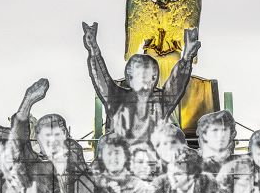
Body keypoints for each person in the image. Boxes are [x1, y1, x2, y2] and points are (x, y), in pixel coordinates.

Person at [82, 20, 200, 154]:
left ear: (154, 78)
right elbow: (102, 80)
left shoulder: (161, 101)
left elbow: (176, 83)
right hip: (123, 161)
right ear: (129, 77)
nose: (143, 78)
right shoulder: (117, 98)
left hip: (152, 160)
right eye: (138, 73)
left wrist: (186, 58)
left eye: (148, 74)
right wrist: (93, 51)